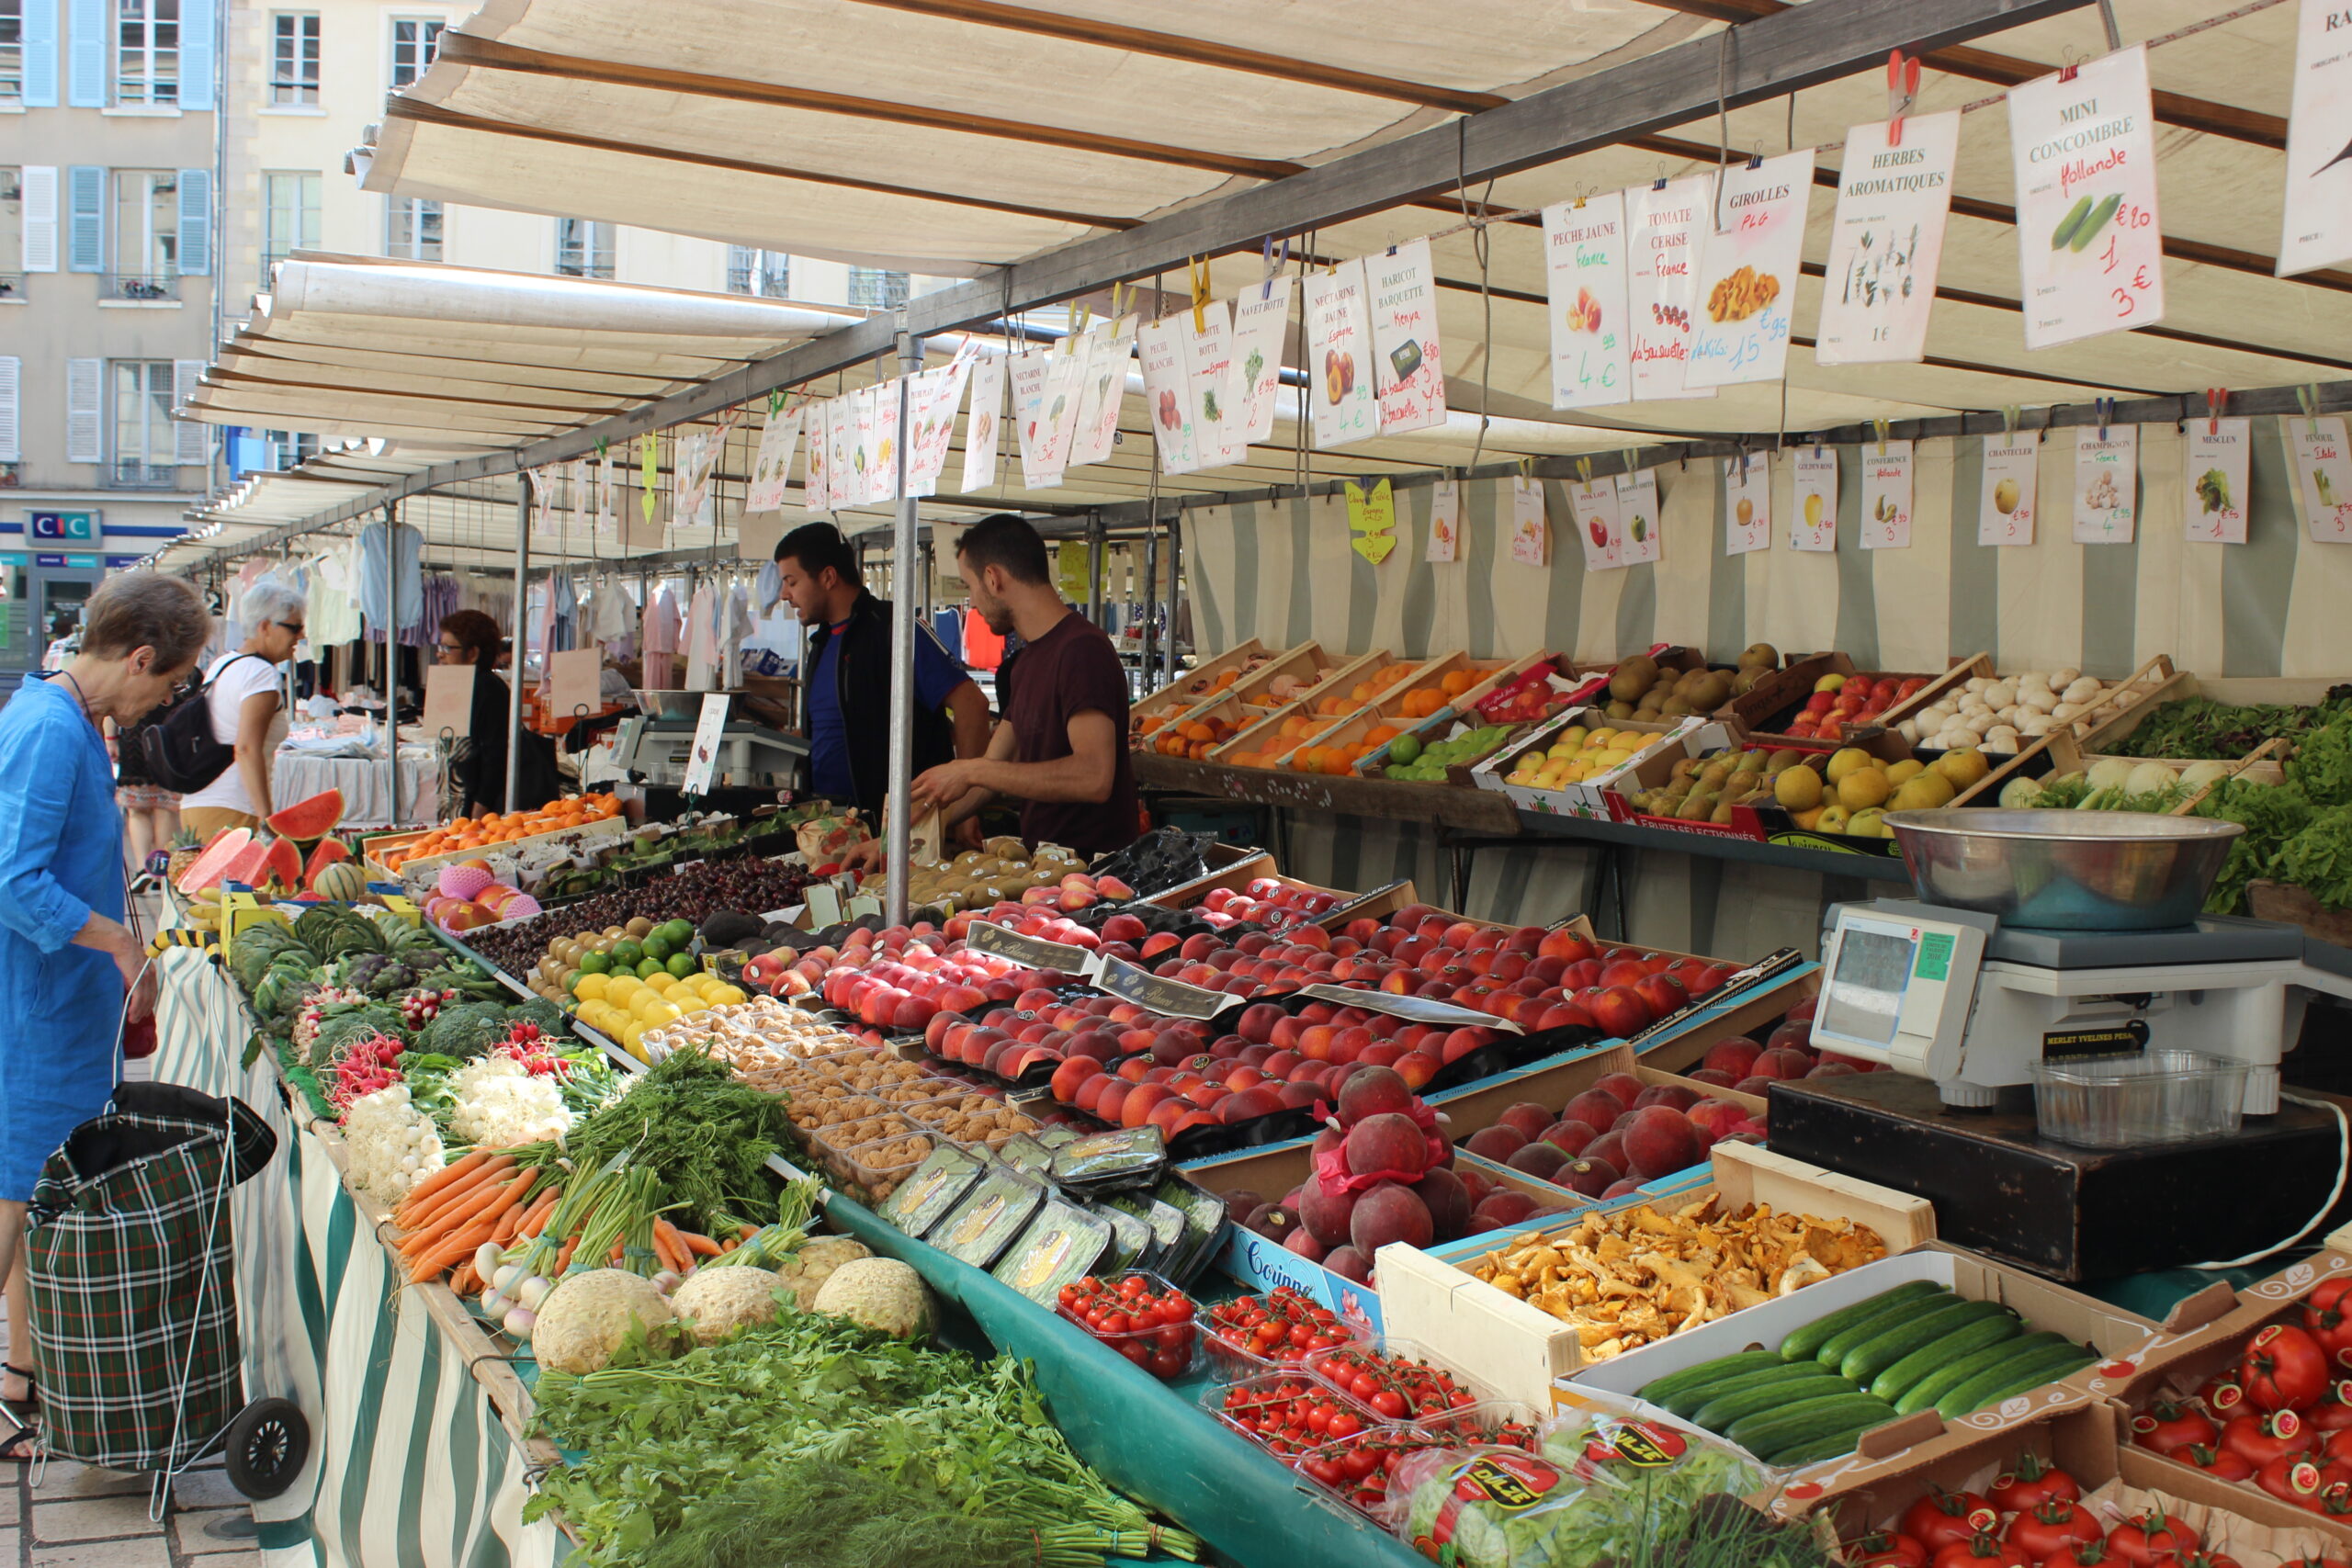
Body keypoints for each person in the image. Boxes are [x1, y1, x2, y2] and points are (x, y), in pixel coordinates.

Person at [0, 571, 212, 1463]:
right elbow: (13, 879)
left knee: (32, 1193)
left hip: (60, 1003)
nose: (165, 702)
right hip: (36, 1011)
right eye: (169, 684)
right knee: (14, 1196)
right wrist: (121, 944)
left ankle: (21, 1378)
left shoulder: (69, 719)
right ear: (138, 656)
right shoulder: (51, 728)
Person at [910, 513, 1140, 858]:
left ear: (993, 578)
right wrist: (907, 834)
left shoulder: (1082, 651)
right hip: (1047, 871)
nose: (972, 603)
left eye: (969, 586)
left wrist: (971, 770)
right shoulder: (1027, 662)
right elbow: (990, 774)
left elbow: (1094, 777)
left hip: (1093, 875)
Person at [759, 523, 989, 827]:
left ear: (828, 577)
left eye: (792, 582)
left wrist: (965, 807)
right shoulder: (822, 643)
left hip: (899, 828)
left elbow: (971, 704)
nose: (784, 594)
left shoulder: (895, 629)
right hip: (831, 823)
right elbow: (836, 729)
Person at [177, 581, 306, 840]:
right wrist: (266, 818)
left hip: (198, 803)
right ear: (265, 627)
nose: (301, 636)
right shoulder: (260, 674)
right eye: (294, 628)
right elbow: (246, 749)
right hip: (234, 808)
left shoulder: (223, 663)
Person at [438, 610, 560, 816]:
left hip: (479, 804)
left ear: (473, 653)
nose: (440, 654)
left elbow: (496, 754)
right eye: (441, 646)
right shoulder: (459, 686)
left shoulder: (487, 688)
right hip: (461, 797)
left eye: (448, 648)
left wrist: (480, 806)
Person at [106, 705, 181, 891]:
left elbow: (112, 708)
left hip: (135, 738)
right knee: (165, 807)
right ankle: (160, 871)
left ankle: (143, 868)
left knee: (137, 810)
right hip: (171, 738)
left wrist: (110, 740)